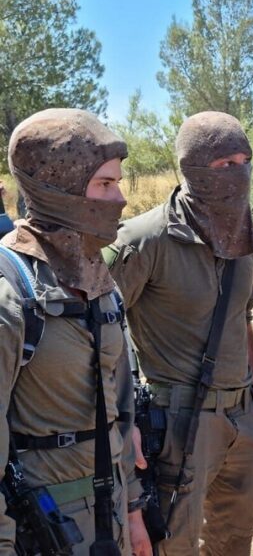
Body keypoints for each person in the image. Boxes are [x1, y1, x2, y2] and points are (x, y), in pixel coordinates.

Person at [104, 111, 253, 556]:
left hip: (244, 416)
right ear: (192, 169)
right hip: (181, 420)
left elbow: (242, 317)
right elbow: (99, 333)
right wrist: (122, 421)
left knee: (236, 536)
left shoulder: (243, 237)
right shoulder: (143, 241)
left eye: (244, 160)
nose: (237, 174)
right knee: (172, 543)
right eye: (222, 165)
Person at [0, 109, 149, 555]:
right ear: (60, 187)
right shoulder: (11, 290)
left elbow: (118, 412)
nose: (120, 199)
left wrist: (134, 513)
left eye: (118, 182)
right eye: (105, 184)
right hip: (42, 527)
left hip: (110, 519)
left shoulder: (96, 279)